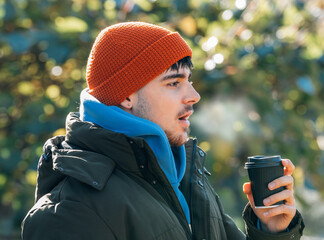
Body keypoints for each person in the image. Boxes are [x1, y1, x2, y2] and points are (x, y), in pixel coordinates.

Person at [22, 22, 305, 239]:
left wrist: (270, 229)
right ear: (126, 96)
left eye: (189, 80)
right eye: (174, 83)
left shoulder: (186, 182)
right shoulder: (70, 212)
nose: (193, 95)